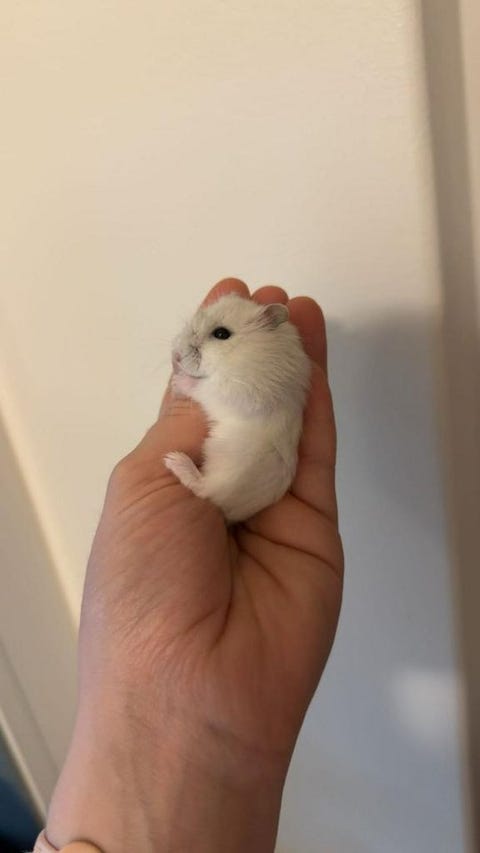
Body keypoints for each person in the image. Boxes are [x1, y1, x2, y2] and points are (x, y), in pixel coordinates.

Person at [35, 278, 344, 853]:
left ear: (270, 331)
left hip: (245, 475)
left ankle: (204, 486)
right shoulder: (246, 376)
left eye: (219, 334)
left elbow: (244, 402)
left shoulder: (274, 369)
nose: (189, 346)